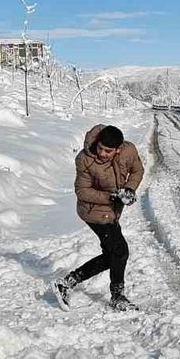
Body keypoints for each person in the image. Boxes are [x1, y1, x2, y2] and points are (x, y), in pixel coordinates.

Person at [55, 124, 145, 311]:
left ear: (118, 149)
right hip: (92, 211)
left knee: (112, 255)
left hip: (112, 211)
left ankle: (67, 282)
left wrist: (129, 189)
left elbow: (138, 170)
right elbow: (82, 191)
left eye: (108, 151)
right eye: (100, 148)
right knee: (120, 251)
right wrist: (112, 197)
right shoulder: (85, 159)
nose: (102, 153)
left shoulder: (129, 151)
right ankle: (117, 297)